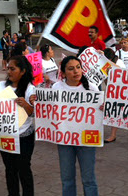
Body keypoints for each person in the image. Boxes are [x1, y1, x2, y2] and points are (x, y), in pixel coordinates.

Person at [0, 55, 35, 196]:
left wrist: (26, 105)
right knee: (10, 169)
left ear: (22, 71)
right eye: (8, 68)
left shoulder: (30, 89)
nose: (9, 72)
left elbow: (34, 114)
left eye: (13, 68)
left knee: (24, 169)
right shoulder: (0, 86)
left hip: (24, 138)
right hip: (5, 137)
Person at [53, 56, 99, 196]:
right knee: (67, 179)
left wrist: (103, 107)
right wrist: (39, 100)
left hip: (86, 139)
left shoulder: (91, 87)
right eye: (71, 69)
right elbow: (50, 111)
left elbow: (99, 110)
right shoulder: (56, 87)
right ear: (63, 72)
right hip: (65, 139)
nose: (76, 71)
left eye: (78, 67)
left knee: (89, 179)